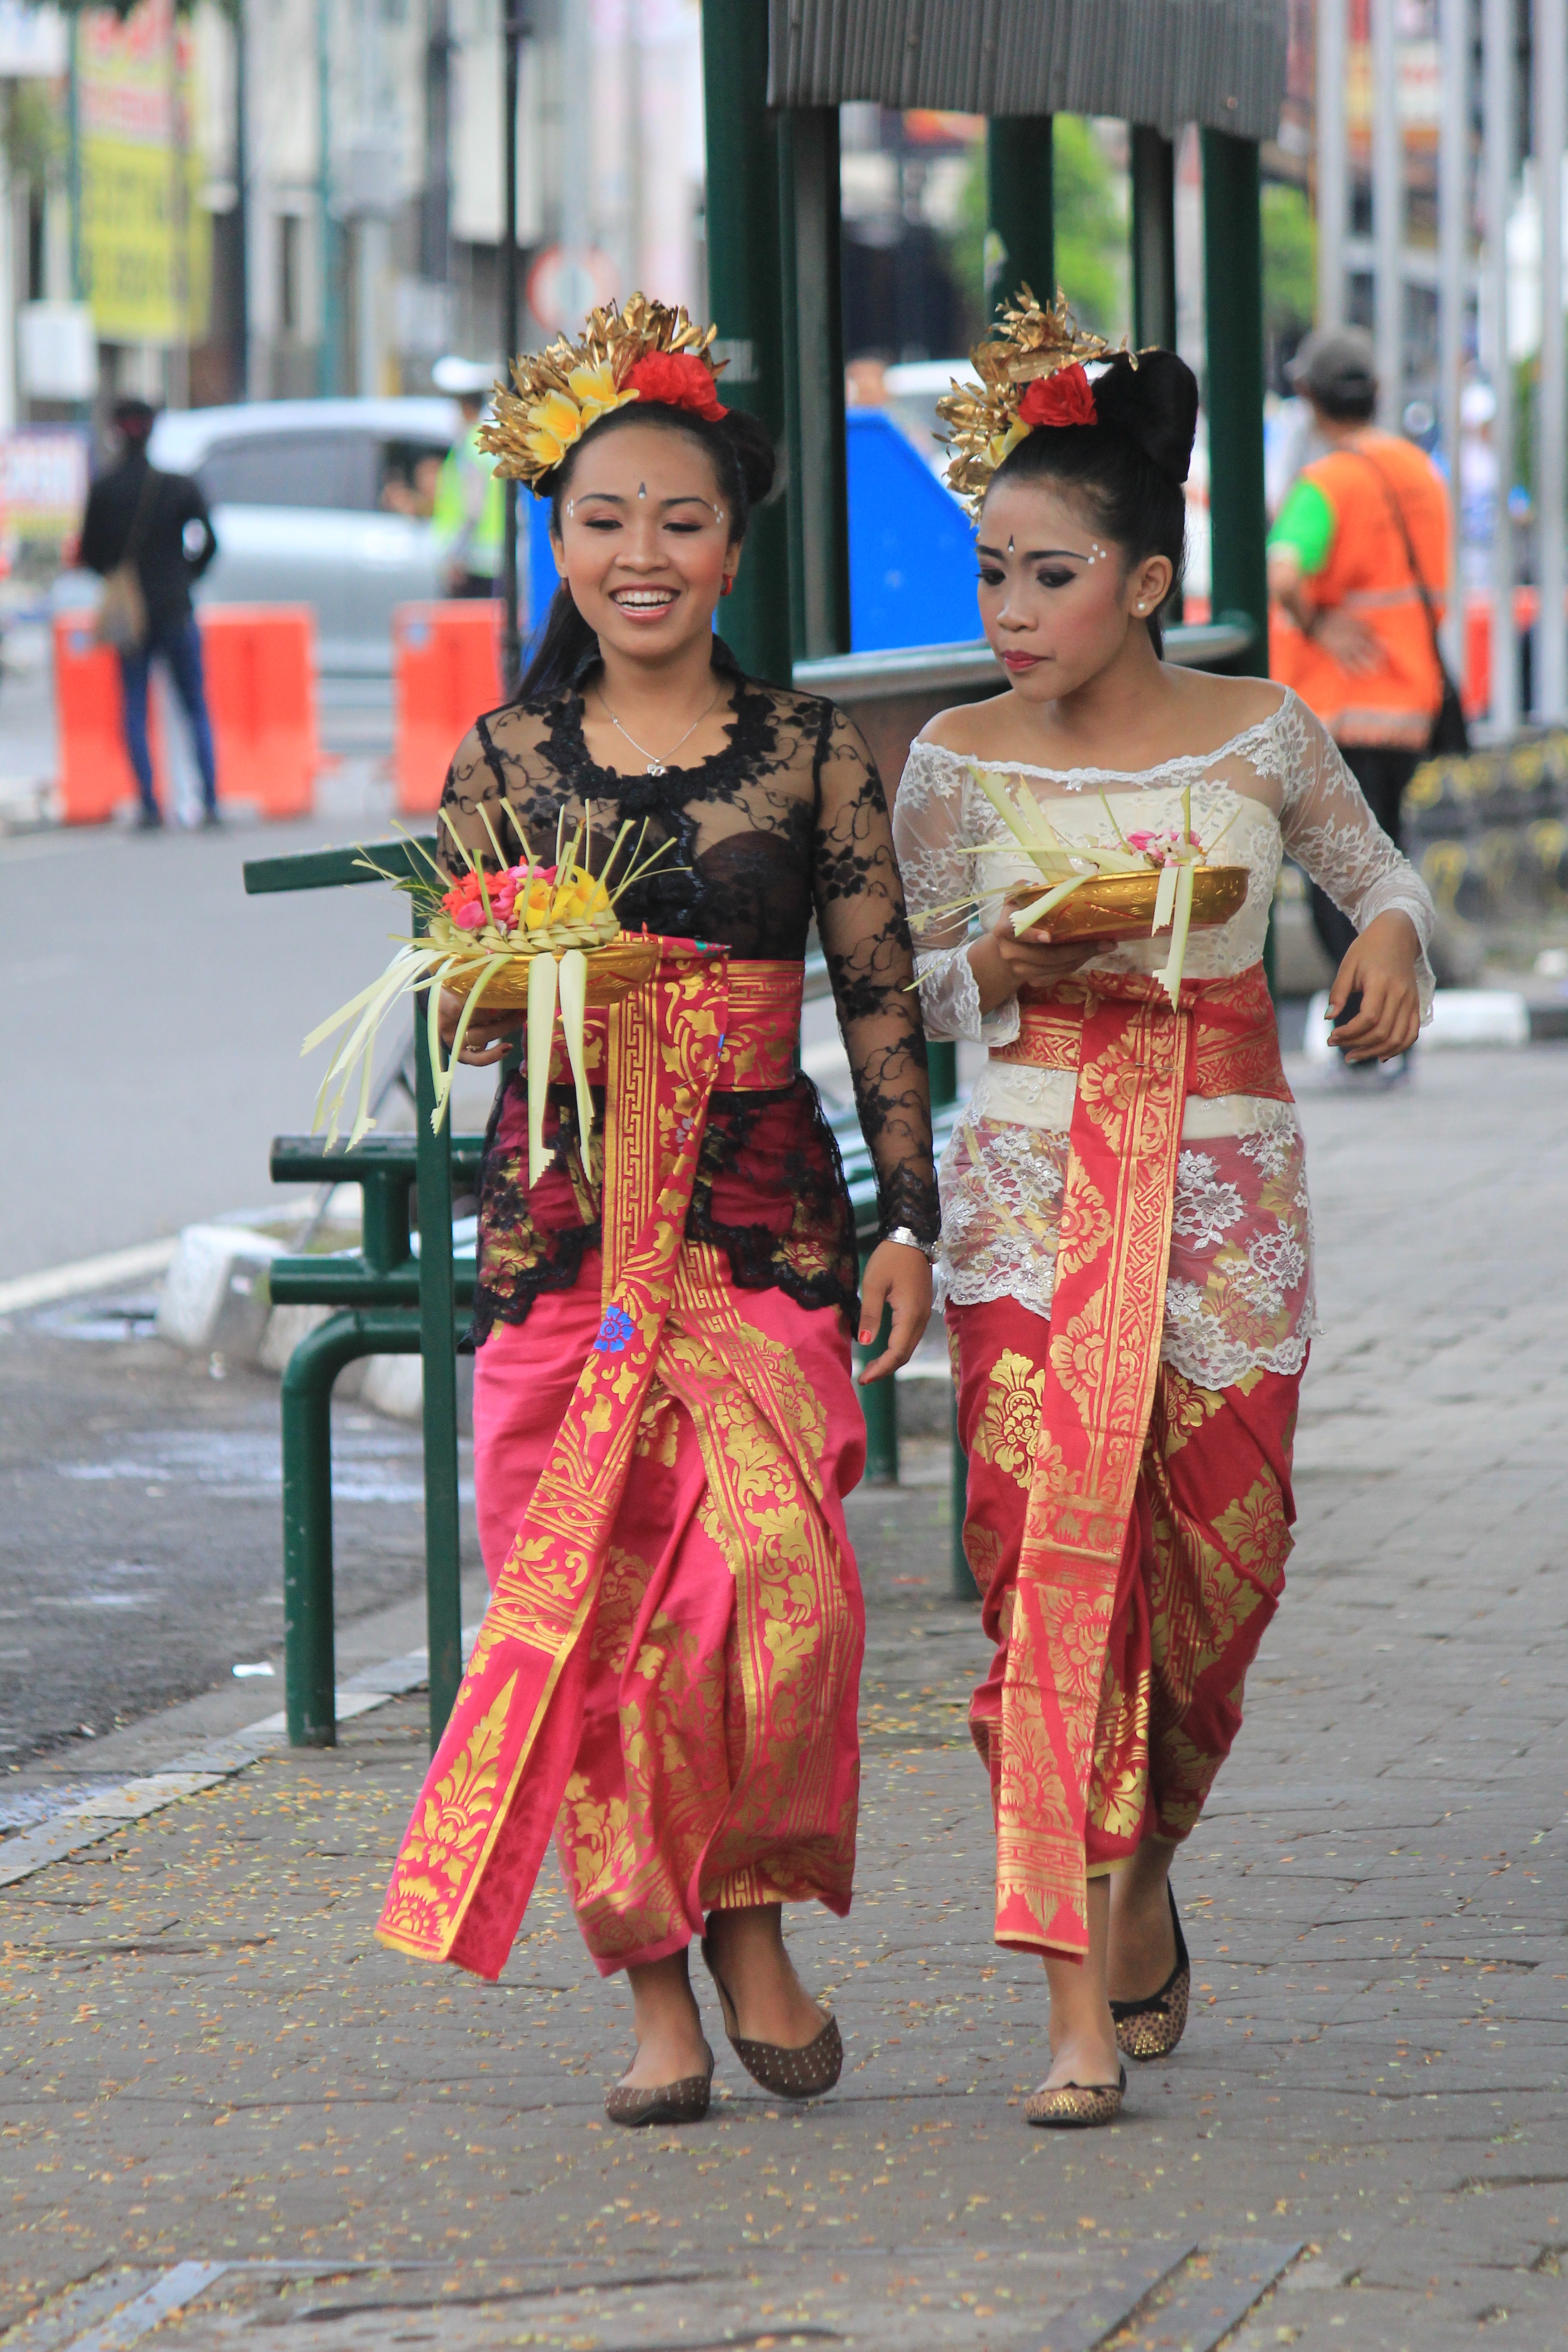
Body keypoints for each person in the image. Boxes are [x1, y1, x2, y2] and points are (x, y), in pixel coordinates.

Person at [377, 297, 938, 2127]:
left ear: (734, 541)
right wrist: (516, 976)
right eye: (604, 519)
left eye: (678, 520)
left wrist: (906, 1221)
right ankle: (659, 1993)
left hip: (762, 1233)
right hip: (567, 1249)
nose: (642, 554)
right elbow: (450, 1015)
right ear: (557, 539)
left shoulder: (803, 752)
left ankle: (754, 1912)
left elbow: (878, 1002)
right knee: (598, 1625)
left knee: (777, 1595)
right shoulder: (503, 763)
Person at [892, 290, 1434, 2129]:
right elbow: (904, 997)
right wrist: (1009, 954)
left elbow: (1379, 876)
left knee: (1221, 1573)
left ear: (1144, 576)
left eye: (1048, 576)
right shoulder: (956, 762)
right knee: (1054, 1561)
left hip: (1222, 1198)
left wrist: (1386, 942)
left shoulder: (1265, 734)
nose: (1011, 615)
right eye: (991, 577)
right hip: (1036, 1199)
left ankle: (1141, 1855)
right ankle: (1069, 1974)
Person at [1266, 326, 1452, 972]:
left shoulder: (1325, 484)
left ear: (1307, 396)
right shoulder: (1421, 473)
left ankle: (1368, 1033)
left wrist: (1317, 627)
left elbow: (1284, 572)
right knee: (1387, 869)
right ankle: (1392, 1029)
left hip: (1340, 709)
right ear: (1376, 392)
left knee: (1339, 882)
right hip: (1408, 705)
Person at [78, 396, 219, 829]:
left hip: (131, 617)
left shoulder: (103, 490)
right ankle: (211, 802)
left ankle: (148, 803)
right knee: (194, 705)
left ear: (116, 432)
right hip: (177, 608)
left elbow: (89, 554)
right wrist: (186, 575)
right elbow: (210, 541)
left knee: (135, 707)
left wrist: (117, 577)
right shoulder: (177, 486)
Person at [431, 355, 506, 596]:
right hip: (493, 560)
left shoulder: (471, 447)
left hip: (475, 564)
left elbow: (472, 508)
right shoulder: (490, 442)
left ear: (464, 407)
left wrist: (456, 557)